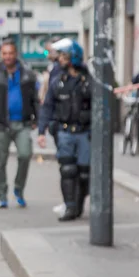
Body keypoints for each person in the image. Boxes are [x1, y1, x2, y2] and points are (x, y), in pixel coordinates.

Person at [38, 39, 91, 222]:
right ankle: (70, 207)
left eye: (64, 55)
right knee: (68, 170)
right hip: (65, 132)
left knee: (84, 173)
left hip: (85, 132)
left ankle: (78, 205)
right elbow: (48, 106)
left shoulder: (88, 79)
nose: (60, 59)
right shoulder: (57, 79)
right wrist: (41, 131)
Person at [0, 39, 38, 209]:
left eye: (11, 53)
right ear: (1, 54)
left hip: (22, 123)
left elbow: (35, 99)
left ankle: (18, 190)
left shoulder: (28, 74)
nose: (8, 56)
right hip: (1, 125)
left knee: (25, 155)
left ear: (16, 54)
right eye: (5, 53)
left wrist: (37, 120)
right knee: (0, 161)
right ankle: (2, 195)